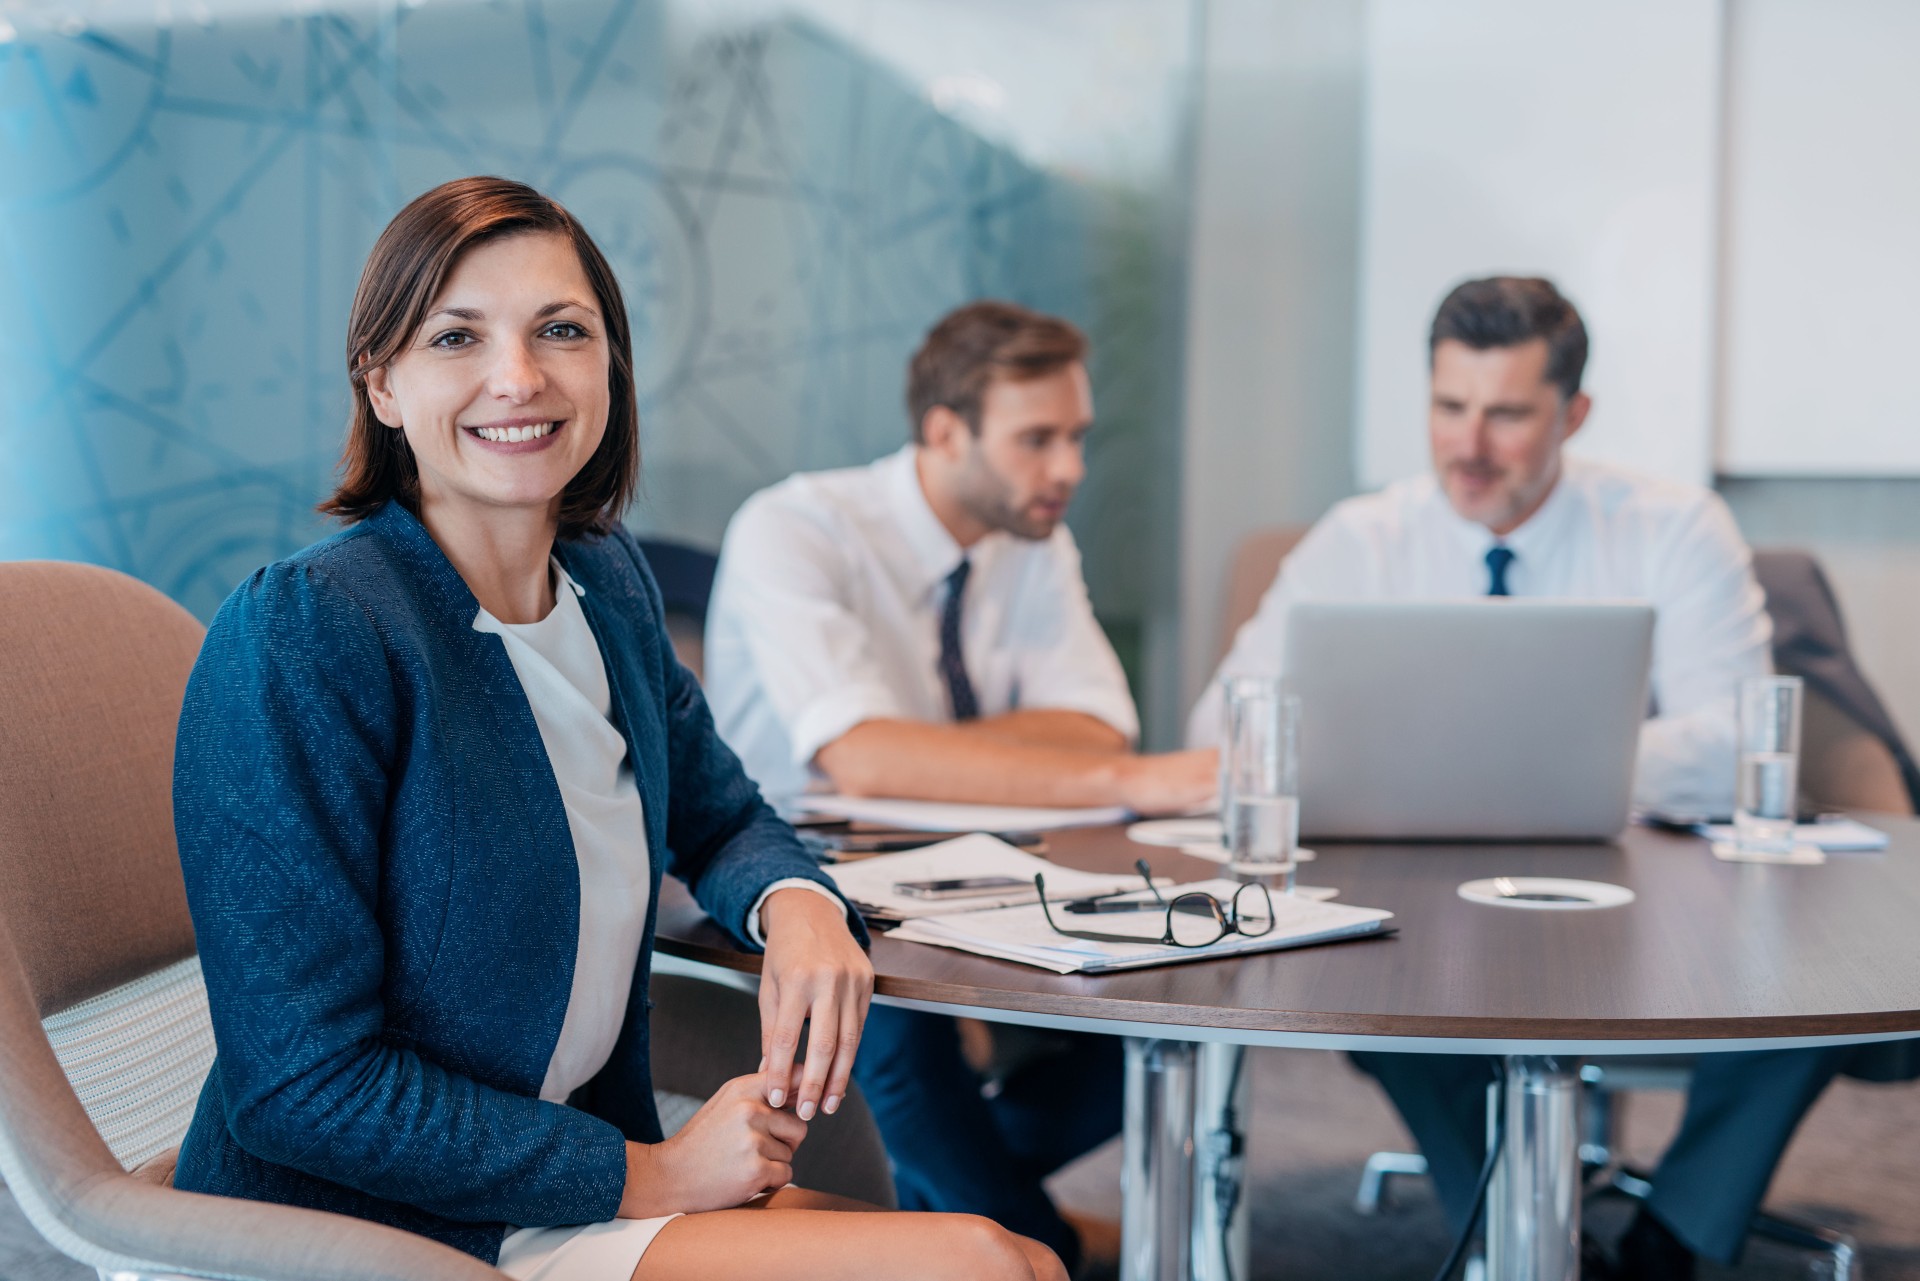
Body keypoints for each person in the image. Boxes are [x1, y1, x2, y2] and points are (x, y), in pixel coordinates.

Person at [168, 176, 1064, 1281]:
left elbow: (724, 815)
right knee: (976, 1264)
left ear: (608, 366)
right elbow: (301, 1087)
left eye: (561, 330)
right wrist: (651, 1178)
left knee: (1020, 1259)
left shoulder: (605, 582)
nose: (519, 377)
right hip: (366, 1224)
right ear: (384, 385)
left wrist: (801, 910)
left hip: (557, 1189)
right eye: (457, 336)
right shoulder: (308, 635)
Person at [1189, 275, 1853, 1279]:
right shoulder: (1361, 540)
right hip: (1419, 905)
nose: (1469, 444)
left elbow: (1735, 745)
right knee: (1376, 986)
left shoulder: (1673, 527)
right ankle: (1524, 1237)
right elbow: (1224, 729)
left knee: (1815, 979)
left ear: (1572, 414)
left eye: (1506, 415)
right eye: (1449, 408)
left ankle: (1677, 1239)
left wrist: (1537, 766)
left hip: (1642, 891)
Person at [705, 301, 1211, 1273]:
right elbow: (857, 760)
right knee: (895, 1041)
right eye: (1037, 439)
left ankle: (943, 1209)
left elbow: (1100, 724)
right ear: (945, 431)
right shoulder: (797, 527)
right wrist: (1112, 778)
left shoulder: (1033, 538)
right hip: (794, 871)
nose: (1067, 469)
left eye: (1076, 438)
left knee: (1160, 1011)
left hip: (979, 864)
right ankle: (1035, 1246)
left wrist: (922, 751)